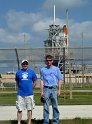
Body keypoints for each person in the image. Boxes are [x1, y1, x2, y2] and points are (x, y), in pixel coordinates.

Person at [40, 55, 63, 124]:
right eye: (47, 60)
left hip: (54, 89)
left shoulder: (56, 69)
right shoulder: (42, 70)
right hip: (46, 89)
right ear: (45, 61)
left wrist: (59, 90)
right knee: (46, 107)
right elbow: (42, 81)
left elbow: (59, 80)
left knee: (55, 106)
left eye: (50, 60)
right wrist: (41, 91)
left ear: (52, 61)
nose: (48, 62)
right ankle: (46, 121)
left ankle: (56, 121)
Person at [15, 59, 37, 124]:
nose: (25, 65)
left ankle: (29, 122)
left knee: (29, 109)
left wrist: (31, 88)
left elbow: (35, 81)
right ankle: (19, 122)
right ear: (22, 65)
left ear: (28, 64)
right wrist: (20, 87)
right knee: (19, 109)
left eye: (26, 64)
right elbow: (17, 81)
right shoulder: (18, 72)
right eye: (23, 64)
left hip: (29, 94)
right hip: (20, 94)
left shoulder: (32, 72)